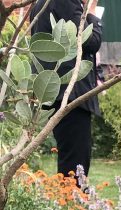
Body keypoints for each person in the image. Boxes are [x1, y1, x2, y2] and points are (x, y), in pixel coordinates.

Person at [30, 0, 103, 182]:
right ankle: (72, 199)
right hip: (70, 95)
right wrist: (92, 10)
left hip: (52, 91)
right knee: (75, 164)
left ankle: (68, 197)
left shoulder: (41, 4)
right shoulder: (66, 2)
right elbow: (90, 41)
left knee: (70, 158)